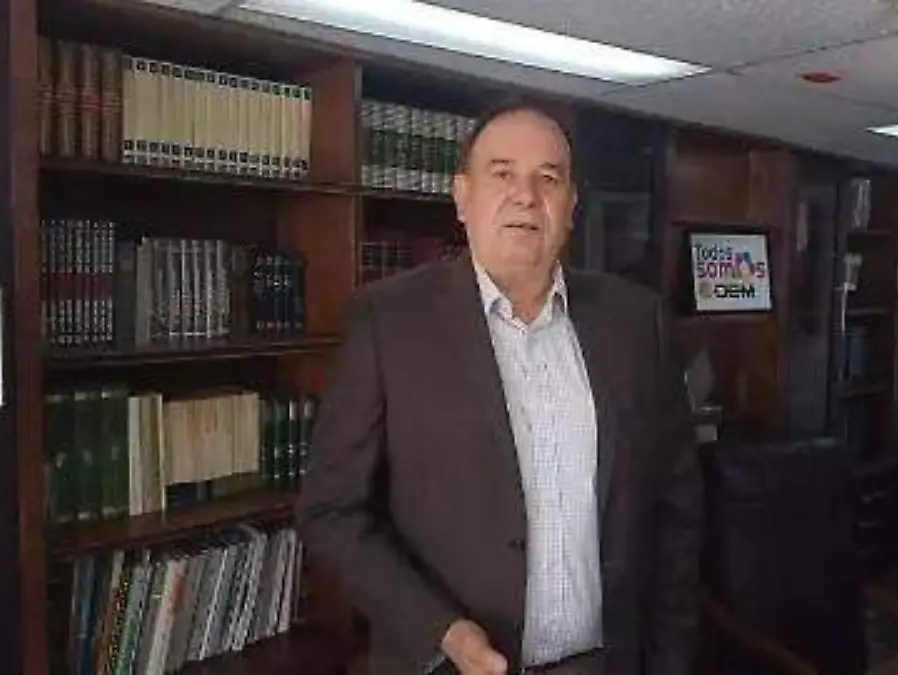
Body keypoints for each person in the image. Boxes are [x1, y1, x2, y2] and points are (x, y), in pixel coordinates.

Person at [296, 100, 702, 675]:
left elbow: (676, 508)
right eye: (503, 173)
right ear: (463, 197)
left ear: (570, 206)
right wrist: (443, 631)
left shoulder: (638, 321)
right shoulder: (388, 322)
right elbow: (331, 512)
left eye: (548, 179)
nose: (526, 196)